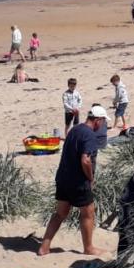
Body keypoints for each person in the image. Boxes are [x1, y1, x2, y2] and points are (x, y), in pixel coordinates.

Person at [38, 105, 109, 257]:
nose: (103, 125)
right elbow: (86, 160)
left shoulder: (74, 130)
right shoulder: (89, 135)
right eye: (103, 122)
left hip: (63, 178)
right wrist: (90, 178)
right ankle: (88, 247)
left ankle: (44, 246)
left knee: (60, 213)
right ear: (97, 120)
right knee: (88, 213)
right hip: (78, 182)